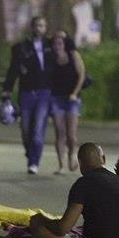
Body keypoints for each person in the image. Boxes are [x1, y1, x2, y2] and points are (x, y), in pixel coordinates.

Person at [28, 142, 119, 238]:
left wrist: (41, 219)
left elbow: (63, 228)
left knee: (39, 230)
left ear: (80, 164)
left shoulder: (83, 183)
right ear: (103, 159)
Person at [2, 16, 54, 174]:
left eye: (42, 25)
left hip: (44, 93)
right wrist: (7, 90)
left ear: (46, 28)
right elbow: (13, 70)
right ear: (32, 27)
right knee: (25, 128)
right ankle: (30, 151)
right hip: (26, 93)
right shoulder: (21, 47)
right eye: (37, 25)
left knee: (38, 128)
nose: (39, 28)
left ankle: (34, 162)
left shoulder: (51, 46)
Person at [48, 31, 85, 174]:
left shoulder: (73, 55)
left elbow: (81, 74)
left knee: (71, 134)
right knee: (59, 131)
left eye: (60, 43)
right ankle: (60, 164)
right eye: (55, 43)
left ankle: (71, 156)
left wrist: (75, 93)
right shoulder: (50, 58)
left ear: (64, 44)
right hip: (56, 98)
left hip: (72, 99)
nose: (57, 46)